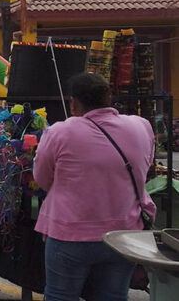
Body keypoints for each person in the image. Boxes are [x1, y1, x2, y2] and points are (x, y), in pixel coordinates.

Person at [34, 72, 156, 301]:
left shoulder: (60, 131)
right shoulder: (142, 126)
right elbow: (145, 167)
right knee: (113, 296)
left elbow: (41, 177)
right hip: (124, 235)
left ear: (74, 103)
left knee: (61, 295)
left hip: (69, 235)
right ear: (108, 98)